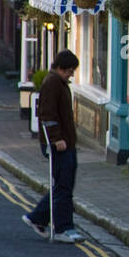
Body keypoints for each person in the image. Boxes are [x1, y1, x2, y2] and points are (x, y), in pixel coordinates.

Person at [22, 50, 85, 243]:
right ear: (60, 67)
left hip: (66, 142)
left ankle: (37, 218)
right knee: (63, 185)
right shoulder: (52, 84)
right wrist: (56, 139)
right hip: (58, 144)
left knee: (63, 185)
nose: (71, 74)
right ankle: (62, 228)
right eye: (70, 70)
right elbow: (47, 114)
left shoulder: (60, 83)